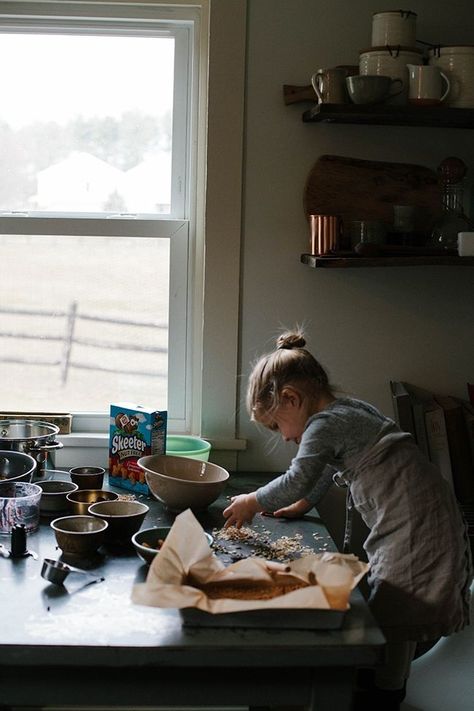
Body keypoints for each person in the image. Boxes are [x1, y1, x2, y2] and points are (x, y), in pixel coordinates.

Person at [223, 330, 473, 710]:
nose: (285, 437)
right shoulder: (346, 411)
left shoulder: (324, 424)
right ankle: (385, 680)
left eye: (277, 426)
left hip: (416, 526)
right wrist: (304, 503)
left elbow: (297, 476)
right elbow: (322, 470)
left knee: (397, 606)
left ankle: (386, 693)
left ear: (291, 398)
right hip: (426, 513)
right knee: (389, 601)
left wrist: (252, 501)